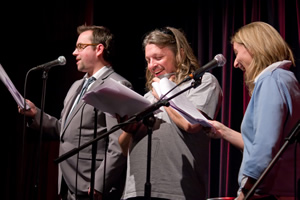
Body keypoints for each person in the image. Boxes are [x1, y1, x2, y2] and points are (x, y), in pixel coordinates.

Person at [18, 25, 132, 200]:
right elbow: (64, 130)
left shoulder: (116, 86)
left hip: (91, 186)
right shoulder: (76, 86)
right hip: (68, 184)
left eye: (80, 47)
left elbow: (118, 143)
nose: (73, 52)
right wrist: (36, 114)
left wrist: (100, 183)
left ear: (99, 49)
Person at [118, 27, 223, 200]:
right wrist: (129, 129)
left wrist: (163, 96)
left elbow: (192, 124)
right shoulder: (147, 96)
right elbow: (123, 149)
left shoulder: (203, 82)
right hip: (135, 190)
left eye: (158, 57)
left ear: (180, 54)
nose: (152, 65)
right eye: (148, 60)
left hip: (176, 190)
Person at [206, 21, 300, 199]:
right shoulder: (286, 79)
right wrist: (223, 131)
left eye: (236, 53)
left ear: (253, 47)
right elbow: (266, 141)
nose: (234, 63)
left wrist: (247, 189)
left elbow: (265, 144)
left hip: (266, 191)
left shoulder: (271, 79)